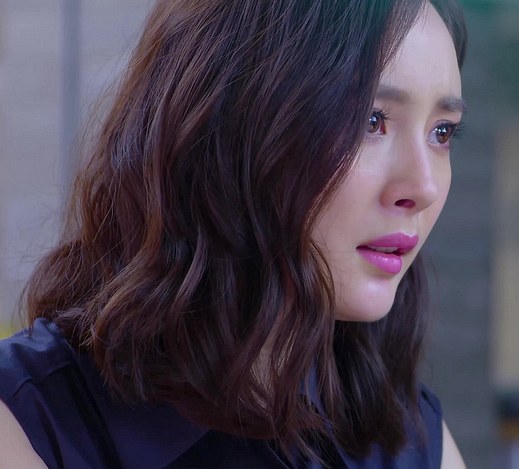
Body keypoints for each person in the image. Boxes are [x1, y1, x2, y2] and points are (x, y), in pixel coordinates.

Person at [0, 0, 468, 467]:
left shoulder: (410, 436)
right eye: (371, 121)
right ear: (233, 123)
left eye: (442, 133)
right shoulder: (31, 423)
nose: (424, 187)